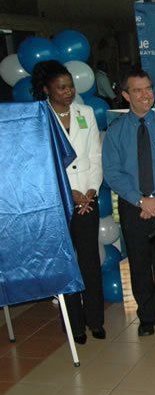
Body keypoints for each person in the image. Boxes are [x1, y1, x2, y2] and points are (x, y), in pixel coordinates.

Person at [102, 69, 155, 337]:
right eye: (137, 90)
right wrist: (141, 201)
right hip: (132, 205)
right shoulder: (116, 131)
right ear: (126, 95)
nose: (145, 95)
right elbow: (112, 172)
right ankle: (147, 316)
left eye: (148, 88)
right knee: (139, 262)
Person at [31, 60, 105, 344]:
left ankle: (95, 320)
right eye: (61, 88)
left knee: (89, 260)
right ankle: (74, 325)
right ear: (47, 89)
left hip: (87, 198)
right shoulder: (40, 117)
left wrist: (90, 191)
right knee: (66, 263)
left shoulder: (85, 113)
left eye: (70, 86)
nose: (68, 92)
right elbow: (40, 163)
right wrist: (69, 192)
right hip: (58, 200)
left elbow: (95, 155)